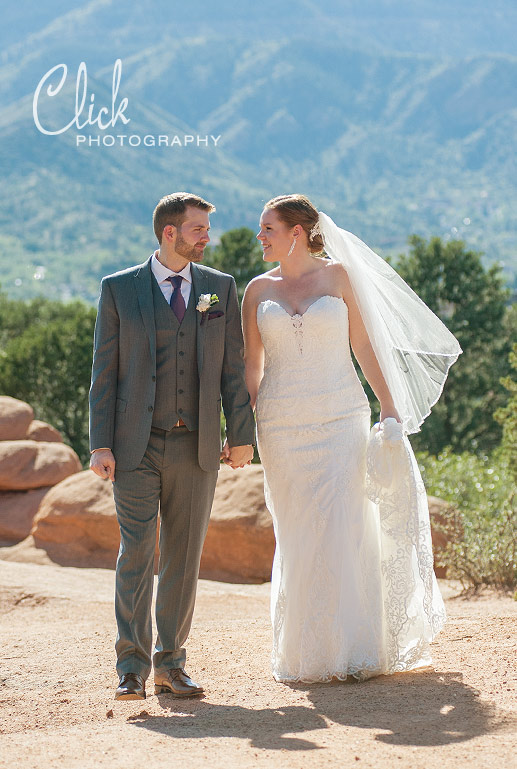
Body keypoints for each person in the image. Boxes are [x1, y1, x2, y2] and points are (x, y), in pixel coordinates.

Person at [242, 194, 461, 683]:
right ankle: (308, 654)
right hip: (280, 426)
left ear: (296, 231)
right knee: (297, 532)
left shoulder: (339, 278)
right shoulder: (255, 291)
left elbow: (364, 344)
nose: (260, 237)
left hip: (341, 417)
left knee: (344, 523)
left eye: (268, 229)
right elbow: (250, 368)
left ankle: (355, 648)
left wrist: (389, 405)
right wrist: (239, 429)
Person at [89, 192, 255, 700]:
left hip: (197, 447)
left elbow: (233, 368)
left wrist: (242, 435)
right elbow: (105, 370)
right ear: (170, 233)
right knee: (136, 553)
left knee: (184, 556)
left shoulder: (218, 289)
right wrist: (100, 444)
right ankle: (131, 667)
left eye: (206, 229)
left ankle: (171, 663)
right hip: (133, 445)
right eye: (199, 229)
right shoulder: (119, 289)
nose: (207, 237)